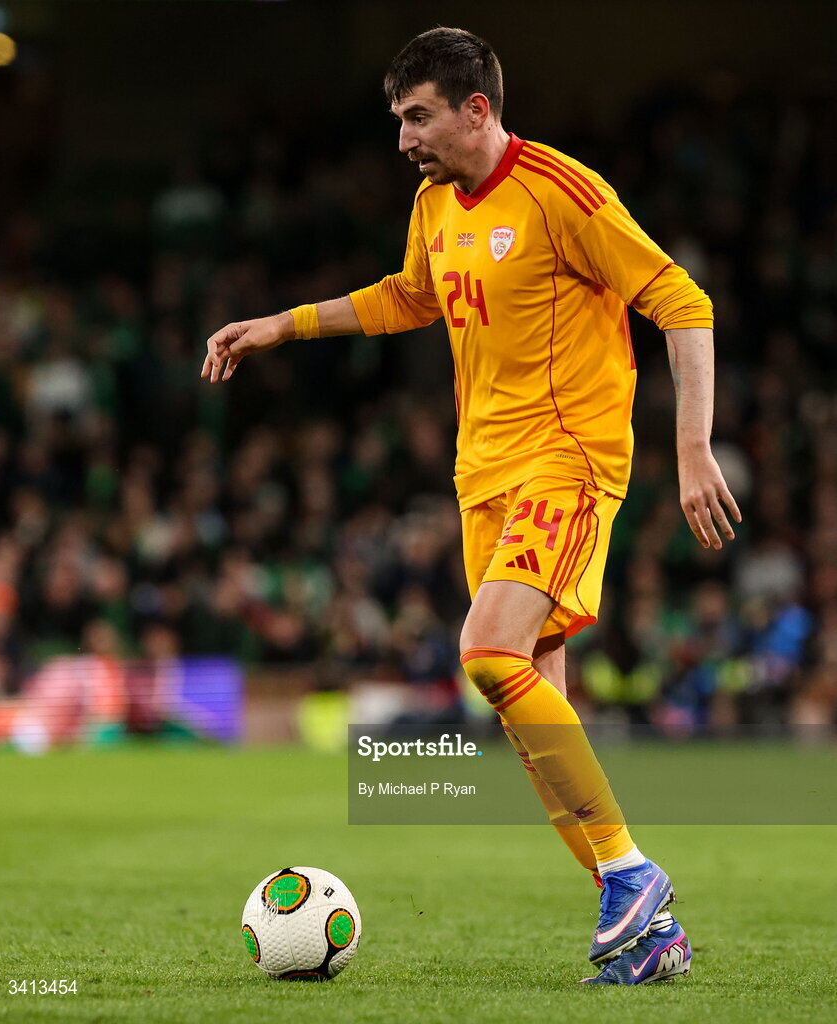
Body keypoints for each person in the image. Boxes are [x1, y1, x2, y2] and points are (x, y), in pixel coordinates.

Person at [201, 27, 741, 985]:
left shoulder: (562, 193)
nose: (404, 138)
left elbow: (680, 298)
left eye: (417, 117)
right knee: (531, 715)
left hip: (566, 461)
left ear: (475, 108)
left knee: (487, 654)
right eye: (397, 119)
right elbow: (411, 295)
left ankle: (630, 872)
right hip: (480, 477)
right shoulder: (432, 202)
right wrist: (281, 325)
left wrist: (690, 447)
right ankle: (648, 935)